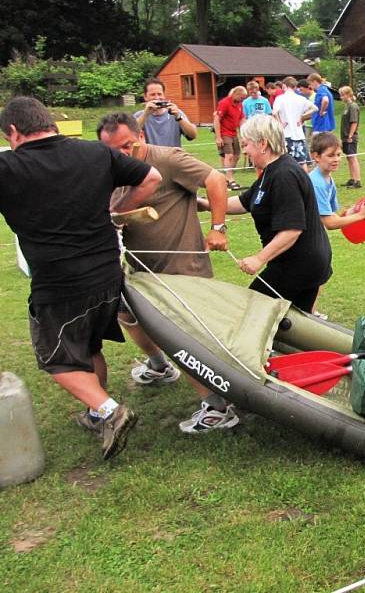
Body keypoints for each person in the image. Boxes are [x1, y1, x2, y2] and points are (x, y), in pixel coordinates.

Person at [0, 97, 162, 459]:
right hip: (107, 273)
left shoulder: (7, 167)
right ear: (49, 121)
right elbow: (152, 177)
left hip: (59, 283)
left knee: (56, 357)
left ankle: (109, 410)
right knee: (89, 346)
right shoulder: (94, 153)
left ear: (14, 131)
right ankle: (94, 413)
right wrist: (117, 209)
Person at [96, 113, 237, 434]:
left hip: (181, 272)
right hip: (140, 272)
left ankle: (218, 408)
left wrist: (218, 228)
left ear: (141, 135)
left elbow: (215, 179)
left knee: (183, 339)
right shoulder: (115, 172)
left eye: (126, 146)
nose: (121, 155)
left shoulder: (167, 159)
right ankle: (159, 366)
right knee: (127, 316)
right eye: (112, 151)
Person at [215, 115, 332, 312]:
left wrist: (259, 259)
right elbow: (245, 202)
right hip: (301, 262)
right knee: (292, 326)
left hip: (299, 264)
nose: (244, 151)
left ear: (262, 144)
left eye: (246, 144)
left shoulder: (284, 175)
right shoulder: (271, 171)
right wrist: (204, 203)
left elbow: (292, 230)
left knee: (251, 311)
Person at [309, 132, 365, 231]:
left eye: (338, 155)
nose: (336, 159)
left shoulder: (328, 179)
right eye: (330, 155)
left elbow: (332, 215)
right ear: (316, 156)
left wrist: (355, 210)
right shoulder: (316, 183)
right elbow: (329, 223)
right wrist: (360, 215)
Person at [134, 77, 198, 147]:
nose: (157, 98)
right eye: (152, 94)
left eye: (159, 94)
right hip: (150, 157)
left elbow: (192, 135)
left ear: (164, 95)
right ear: (145, 97)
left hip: (173, 157)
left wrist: (178, 117)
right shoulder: (139, 115)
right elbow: (132, 134)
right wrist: (146, 114)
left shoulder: (175, 113)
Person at [272, 76, 318, 173]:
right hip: (298, 134)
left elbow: (274, 112)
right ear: (295, 86)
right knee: (302, 162)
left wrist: (280, 123)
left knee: (283, 162)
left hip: (285, 134)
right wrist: (302, 116)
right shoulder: (301, 99)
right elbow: (315, 108)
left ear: (284, 86)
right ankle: (306, 184)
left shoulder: (280, 98)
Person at [213, 85, 246, 190]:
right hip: (225, 133)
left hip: (233, 133)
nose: (243, 100)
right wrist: (218, 137)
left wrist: (243, 136)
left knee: (237, 155)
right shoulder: (225, 103)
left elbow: (241, 119)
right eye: (242, 97)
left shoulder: (239, 105)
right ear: (236, 94)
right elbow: (217, 119)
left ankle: (227, 178)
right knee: (229, 155)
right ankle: (230, 179)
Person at [339, 85, 361, 188]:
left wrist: (350, 135)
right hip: (345, 136)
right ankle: (352, 178)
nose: (341, 97)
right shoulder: (347, 106)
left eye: (342, 95)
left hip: (351, 137)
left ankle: (357, 180)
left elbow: (354, 122)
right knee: (349, 157)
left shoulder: (353, 106)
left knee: (352, 157)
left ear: (348, 95)